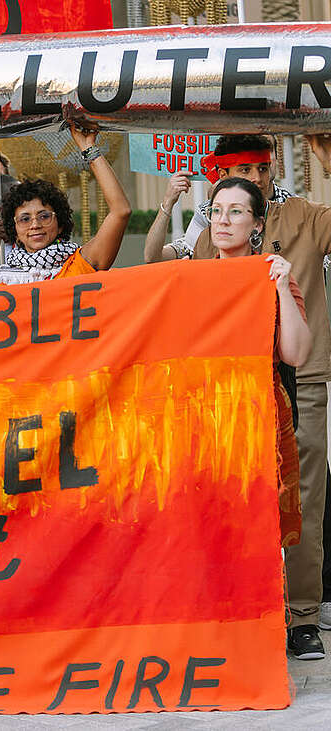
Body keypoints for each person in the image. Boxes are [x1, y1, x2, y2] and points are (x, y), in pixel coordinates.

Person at [194, 133, 331, 660]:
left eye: (258, 168)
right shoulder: (202, 253)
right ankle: (232, 612)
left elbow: (295, 349)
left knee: (298, 503)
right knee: (222, 504)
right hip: (221, 401)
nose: (251, 178)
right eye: (219, 208)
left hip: (292, 389)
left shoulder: (305, 218)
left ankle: (300, 615)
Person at [206, 177, 310, 547]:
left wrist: (282, 287)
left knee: (259, 524)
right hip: (203, 417)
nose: (223, 220)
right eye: (216, 211)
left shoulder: (273, 276)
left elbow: (296, 355)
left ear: (257, 224)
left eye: (236, 212)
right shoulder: (192, 280)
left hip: (258, 413)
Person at [0, 126, 131, 285]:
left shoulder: (79, 265)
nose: (35, 225)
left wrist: (88, 148)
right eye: (25, 219)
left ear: (60, 224)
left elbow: (121, 211)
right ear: (14, 230)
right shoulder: (2, 281)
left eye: (44, 216)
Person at [144, 134, 292, 262]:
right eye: (245, 169)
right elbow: (154, 257)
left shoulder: (295, 209)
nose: (256, 178)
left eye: (262, 168)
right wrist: (168, 203)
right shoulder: (207, 212)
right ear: (223, 175)